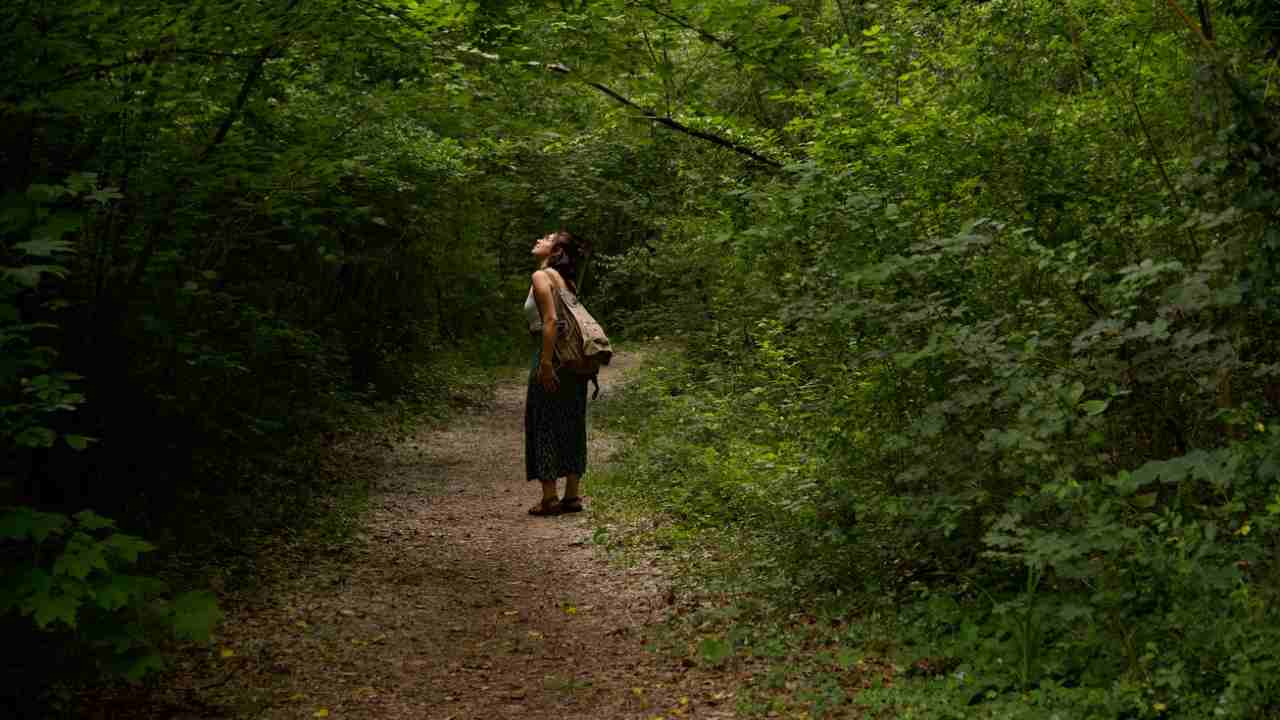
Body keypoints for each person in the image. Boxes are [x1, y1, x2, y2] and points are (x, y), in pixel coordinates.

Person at [524, 230, 590, 516]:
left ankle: (549, 498)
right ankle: (572, 496)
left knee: (544, 421)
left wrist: (546, 364)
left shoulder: (542, 276)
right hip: (575, 360)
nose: (540, 239)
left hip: (552, 355)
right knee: (572, 420)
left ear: (556, 251)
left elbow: (550, 321)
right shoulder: (568, 282)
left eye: (548, 238)